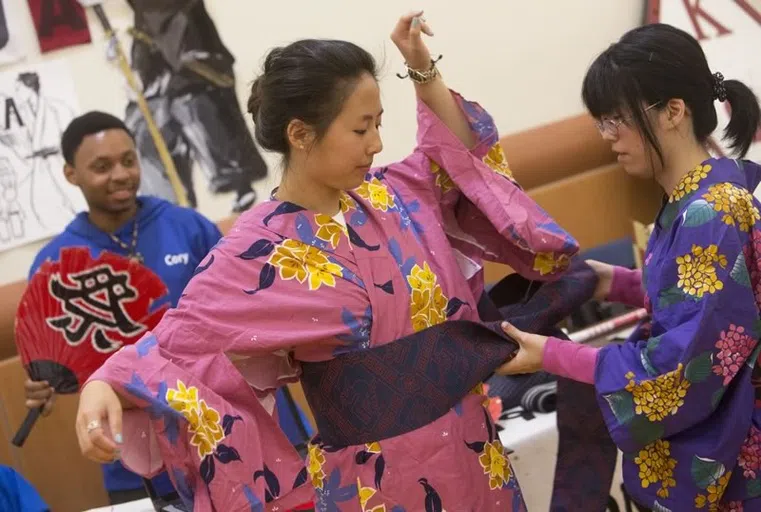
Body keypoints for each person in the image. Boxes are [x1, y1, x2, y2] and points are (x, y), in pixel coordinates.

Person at [74, 12, 579, 511]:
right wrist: (102, 383)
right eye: (361, 129)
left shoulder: (397, 195)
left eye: (379, 124)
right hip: (374, 480)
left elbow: (460, 158)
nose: (377, 144)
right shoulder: (259, 248)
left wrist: (423, 69)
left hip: (473, 448)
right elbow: (177, 344)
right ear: (300, 134)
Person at [498, 23, 761, 511]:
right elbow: (696, 301)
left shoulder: (712, 211)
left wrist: (553, 355)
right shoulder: (696, 201)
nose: (608, 137)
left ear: (673, 112)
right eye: (603, 122)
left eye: (616, 120)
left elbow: (685, 363)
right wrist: (608, 280)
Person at [23, 111, 311, 505]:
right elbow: (63, 357)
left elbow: (247, 313)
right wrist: (50, 383)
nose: (121, 174)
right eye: (102, 167)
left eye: (128, 160)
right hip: (140, 453)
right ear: (71, 174)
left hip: (242, 426)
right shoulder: (55, 263)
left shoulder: (187, 226)